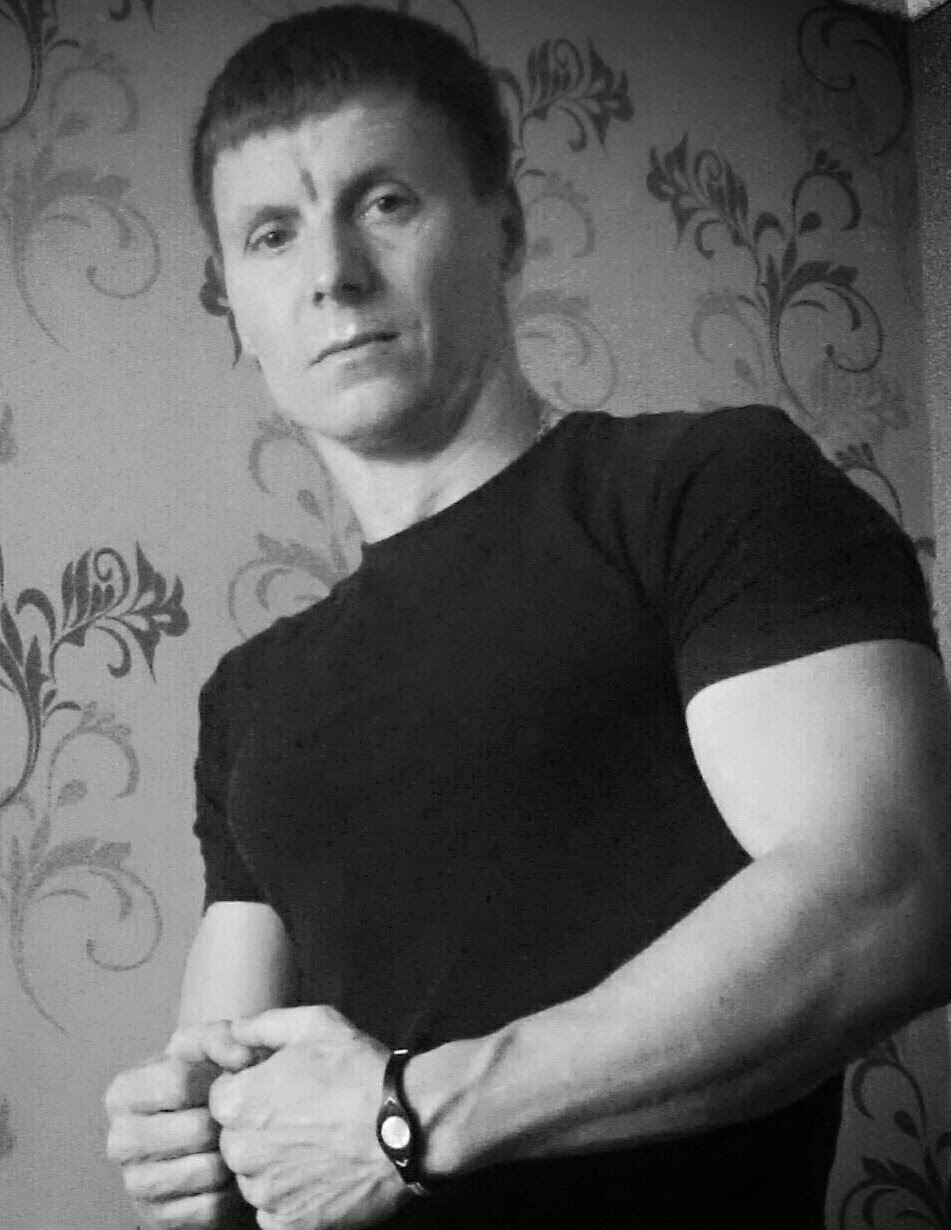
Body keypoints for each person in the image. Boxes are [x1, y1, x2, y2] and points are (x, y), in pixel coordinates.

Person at [103, 7, 951, 1230]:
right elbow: (239, 1079)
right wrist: (194, 1149)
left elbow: (897, 890)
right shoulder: (247, 694)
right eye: (272, 234)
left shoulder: (703, 488)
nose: (332, 272)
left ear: (504, 228)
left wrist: (408, 1117)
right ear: (233, 303)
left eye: (385, 201)